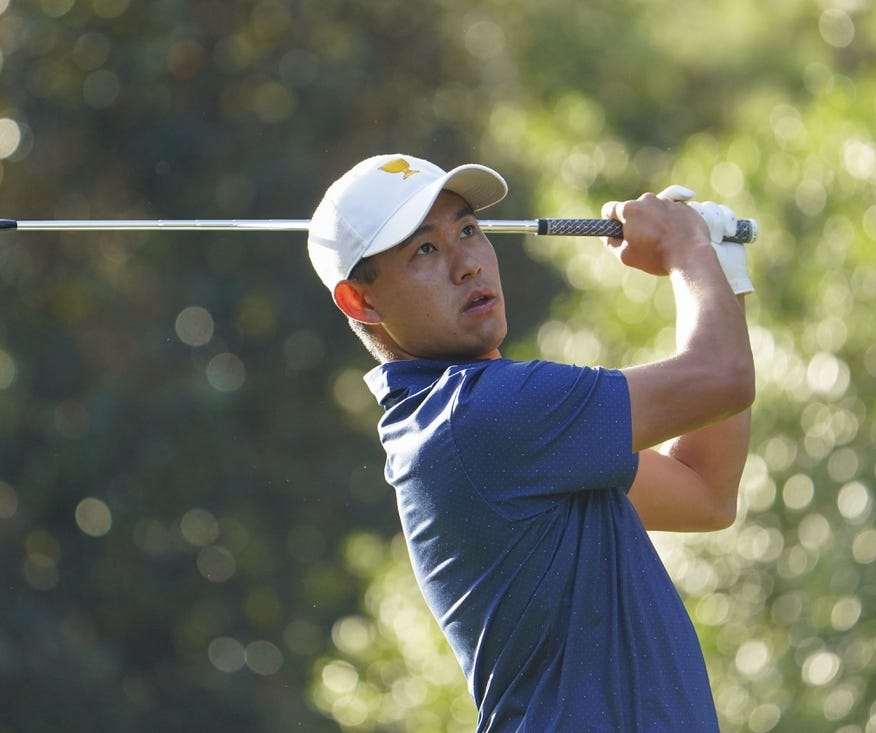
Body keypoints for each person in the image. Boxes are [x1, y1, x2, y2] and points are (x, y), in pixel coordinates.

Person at [307, 153, 754, 732]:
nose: (467, 264)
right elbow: (722, 379)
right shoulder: (480, 413)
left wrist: (721, 273)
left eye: (468, 230)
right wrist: (687, 250)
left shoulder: (485, 426)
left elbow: (704, 492)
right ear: (361, 302)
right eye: (424, 249)